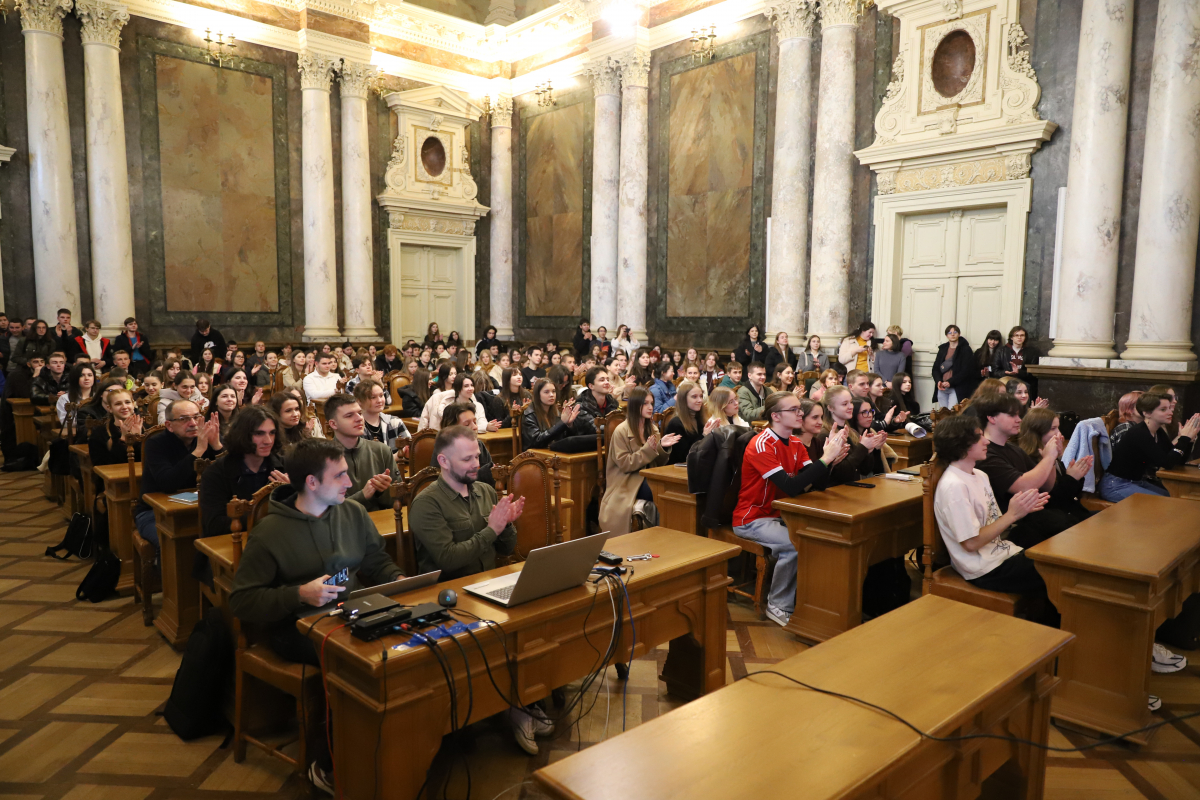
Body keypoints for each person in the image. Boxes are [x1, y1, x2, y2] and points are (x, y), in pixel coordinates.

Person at [229, 437, 403, 787]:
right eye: (340, 476)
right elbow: (243, 601)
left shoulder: (351, 512)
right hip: (295, 627)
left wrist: (400, 580)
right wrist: (298, 594)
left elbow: (374, 560)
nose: (350, 483)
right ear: (311, 482)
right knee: (352, 661)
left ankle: (392, 744)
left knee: (403, 644)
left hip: (349, 613)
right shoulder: (270, 533)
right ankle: (329, 764)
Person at [405, 426, 552, 751]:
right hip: (449, 598)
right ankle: (514, 708)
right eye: (467, 458)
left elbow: (505, 547)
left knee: (541, 619)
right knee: (501, 636)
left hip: (489, 586)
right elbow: (448, 559)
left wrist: (508, 524)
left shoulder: (484, 491)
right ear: (443, 461)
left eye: (477, 456)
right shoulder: (426, 503)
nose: (476, 463)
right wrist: (492, 527)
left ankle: (526, 698)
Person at [931, 414, 1058, 626]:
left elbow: (993, 524)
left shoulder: (980, 475)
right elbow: (970, 543)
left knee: (1049, 539)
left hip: (1000, 552)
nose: (987, 441)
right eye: (979, 437)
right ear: (961, 444)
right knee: (1055, 571)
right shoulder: (954, 486)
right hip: (983, 568)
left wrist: (1024, 509)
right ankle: (1046, 633)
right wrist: (1013, 514)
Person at [733, 391, 847, 627]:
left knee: (822, 538)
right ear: (776, 415)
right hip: (753, 518)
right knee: (794, 545)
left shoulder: (796, 442)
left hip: (781, 515)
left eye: (800, 409)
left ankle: (815, 603)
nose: (800, 414)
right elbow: (792, 486)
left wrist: (831, 461)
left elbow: (816, 483)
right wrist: (824, 460)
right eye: (794, 410)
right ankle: (778, 605)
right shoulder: (762, 444)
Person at [975, 392, 1081, 548]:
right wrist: (1048, 458)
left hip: (1030, 519)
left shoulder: (1013, 449)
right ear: (992, 418)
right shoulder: (986, 455)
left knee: (1076, 524)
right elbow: (1024, 485)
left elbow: (1046, 486)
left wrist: (1051, 459)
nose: (1019, 420)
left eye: (1018, 415)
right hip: (1010, 530)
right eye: (1012, 415)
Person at [198, 406, 289, 566]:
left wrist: (294, 492)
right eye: (259, 433)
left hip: (279, 544)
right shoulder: (217, 472)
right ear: (243, 435)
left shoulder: (283, 467)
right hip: (230, 549)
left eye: (272, 433)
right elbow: (214, 525)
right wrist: (267, 515)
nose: (268, 440)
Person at [135, 399, 224, 556]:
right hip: (154, 513)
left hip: (199, 509)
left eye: (196, 417)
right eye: (184, 419)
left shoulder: (206, 438)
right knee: (171, 544)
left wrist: (217, 445)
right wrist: (198, 451)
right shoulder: (156, 444)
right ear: (169, 425)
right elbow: (168, 482)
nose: (192, 423)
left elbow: (229, 474)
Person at [598, 388, 680, 537]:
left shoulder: (652, 428)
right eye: (645, 404)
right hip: (626, 481)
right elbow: (625, 464)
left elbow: (658, 463)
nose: (650, 407)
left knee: (672, 490)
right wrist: (649, 449)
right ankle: (664, 534)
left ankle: (671, 535)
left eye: (651, 403)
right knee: (662, 494)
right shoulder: (621, 431)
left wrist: (662, 447)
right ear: (636, 405)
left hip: (647, 476)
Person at [1100, 392, 1200, 502]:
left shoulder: (1158, 431)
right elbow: (1167, 463)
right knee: (1165, 503)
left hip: (1135, 482)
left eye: (1169, 408)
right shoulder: (1140, 433)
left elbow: (1177, 461)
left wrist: (1189, 440)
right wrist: (1184, 438)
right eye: (1163, 409)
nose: (1170, 412)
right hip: (1115, 485)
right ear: (1147, 413)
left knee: (1172, 497)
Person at [1017, 407, 1093, 525]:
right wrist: (1071, 478)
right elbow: (1052, 501)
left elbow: (1072, 496)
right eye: (1053, 429)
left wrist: (1077, 476)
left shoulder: (1052, 454)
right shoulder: (1029, 460)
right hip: (1052, 522)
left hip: (1068, 514)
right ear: (1037, 432)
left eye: (1058, 428)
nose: (1059, 434)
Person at [323, 393, 395, 512]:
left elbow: (399, 500)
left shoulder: (382, 450)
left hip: (382, 522)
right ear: (333, 424)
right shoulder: (322, 457)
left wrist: (383, 491)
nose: (359, 418)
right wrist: (363, 496)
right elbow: (325, 509)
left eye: (360, 413)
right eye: (349, 415)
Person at [810, 386, 889, 485]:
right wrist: (862, 447)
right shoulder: (825, 434)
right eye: (844, 404)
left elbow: (865, 469)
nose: (851, 406)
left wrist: (871, 450)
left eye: (850, 402)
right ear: (830, 407)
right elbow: (842, 474)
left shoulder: (852, 432)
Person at [522, 378, 582, 450]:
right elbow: (537, 441)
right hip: (535, 456)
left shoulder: (556, 411)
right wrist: (562, 423)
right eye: (546, 392)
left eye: (553, 391)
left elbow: (567, 439)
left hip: (554, 452)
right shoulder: (529, 414)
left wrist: (569, 424)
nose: (551, 395)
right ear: (538, 394)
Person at [355, 379, 412, 453]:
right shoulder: (356, 426)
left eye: (381, 395)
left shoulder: (395, 422)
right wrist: (396, 457)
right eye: (373, 397)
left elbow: (410, 449)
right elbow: (363, 460)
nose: (379, 400)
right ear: (359, 401)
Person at [664, 381, 706, 464]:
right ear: (683, 399)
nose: (700, 400)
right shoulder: (676, 424)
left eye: (701, 396)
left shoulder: (700, 419)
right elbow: (685, 456)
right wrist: (704, 435)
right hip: (677, 470)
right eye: (694, 397)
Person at [932, 325, 973, 408]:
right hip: (942, 387)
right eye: (950, 333)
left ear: (959, 334)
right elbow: (935, 368)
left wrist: (950, 382)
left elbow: (966, 371)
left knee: (952, 413)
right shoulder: (943, 349)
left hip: (956, 388)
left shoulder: (965, 349)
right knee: (942, 413)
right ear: (947, 335)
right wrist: (938, 381)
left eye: (955, 332)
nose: (952, 334)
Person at [993, 326, 1041, 396]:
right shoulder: (1001, 351)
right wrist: (1005, 372)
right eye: (1016, 335)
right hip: (1006, 383)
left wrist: (1019, 372)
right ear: (1012, 337)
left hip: (1024, 383)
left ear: (1025, 337)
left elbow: (1034, 373)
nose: (1019, 337)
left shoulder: (1032, 352)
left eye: (1022, 335)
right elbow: (995, 371)